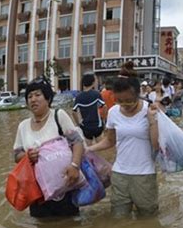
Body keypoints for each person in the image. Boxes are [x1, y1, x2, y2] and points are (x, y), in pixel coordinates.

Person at [87, 64, 160, 217]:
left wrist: (152, 120)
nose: (125, 105)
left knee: (148, 219)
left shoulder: (150, 110)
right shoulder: (113, 112)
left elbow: (157, 145)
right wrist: (89, 149)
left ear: (138, 93)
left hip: (144, 175)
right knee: (118, 219)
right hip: (119, 174)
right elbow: (109, 141)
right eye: (120, 101)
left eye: (129, 100)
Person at [13, 76, 84, 217]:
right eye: (30, 96)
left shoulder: (58, 116)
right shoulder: (23, 126)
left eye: (38, 95)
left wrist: (75, 166)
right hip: (37, 192)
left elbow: (77, 142)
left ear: (48, 98)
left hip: (65, 185)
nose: (33, 99)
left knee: (70, 227)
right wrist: (27, 156)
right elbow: (16, 155)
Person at [72, 74, 106, 145]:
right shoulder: (96, 94)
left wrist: (78, 123)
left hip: (86, 126)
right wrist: (104, 118)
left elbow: (74, 111)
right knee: (101, 147)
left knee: (89, 149)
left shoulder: (78, 97)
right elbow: (104, 107)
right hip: (97, 125)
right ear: (93, 83)